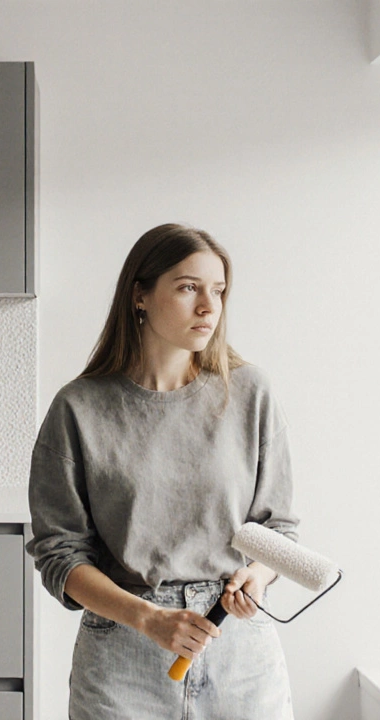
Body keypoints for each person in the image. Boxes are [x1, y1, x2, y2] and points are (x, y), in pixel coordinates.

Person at [26, 223, 299, 719]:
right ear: (140, 296)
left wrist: (256, 577)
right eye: (189, 287)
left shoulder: (250, 393)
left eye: (218, 290)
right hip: (122, 656)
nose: (208, 307)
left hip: (239, 653)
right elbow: (60, 554)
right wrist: (148, 618)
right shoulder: (78, 408)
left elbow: (277, 530)